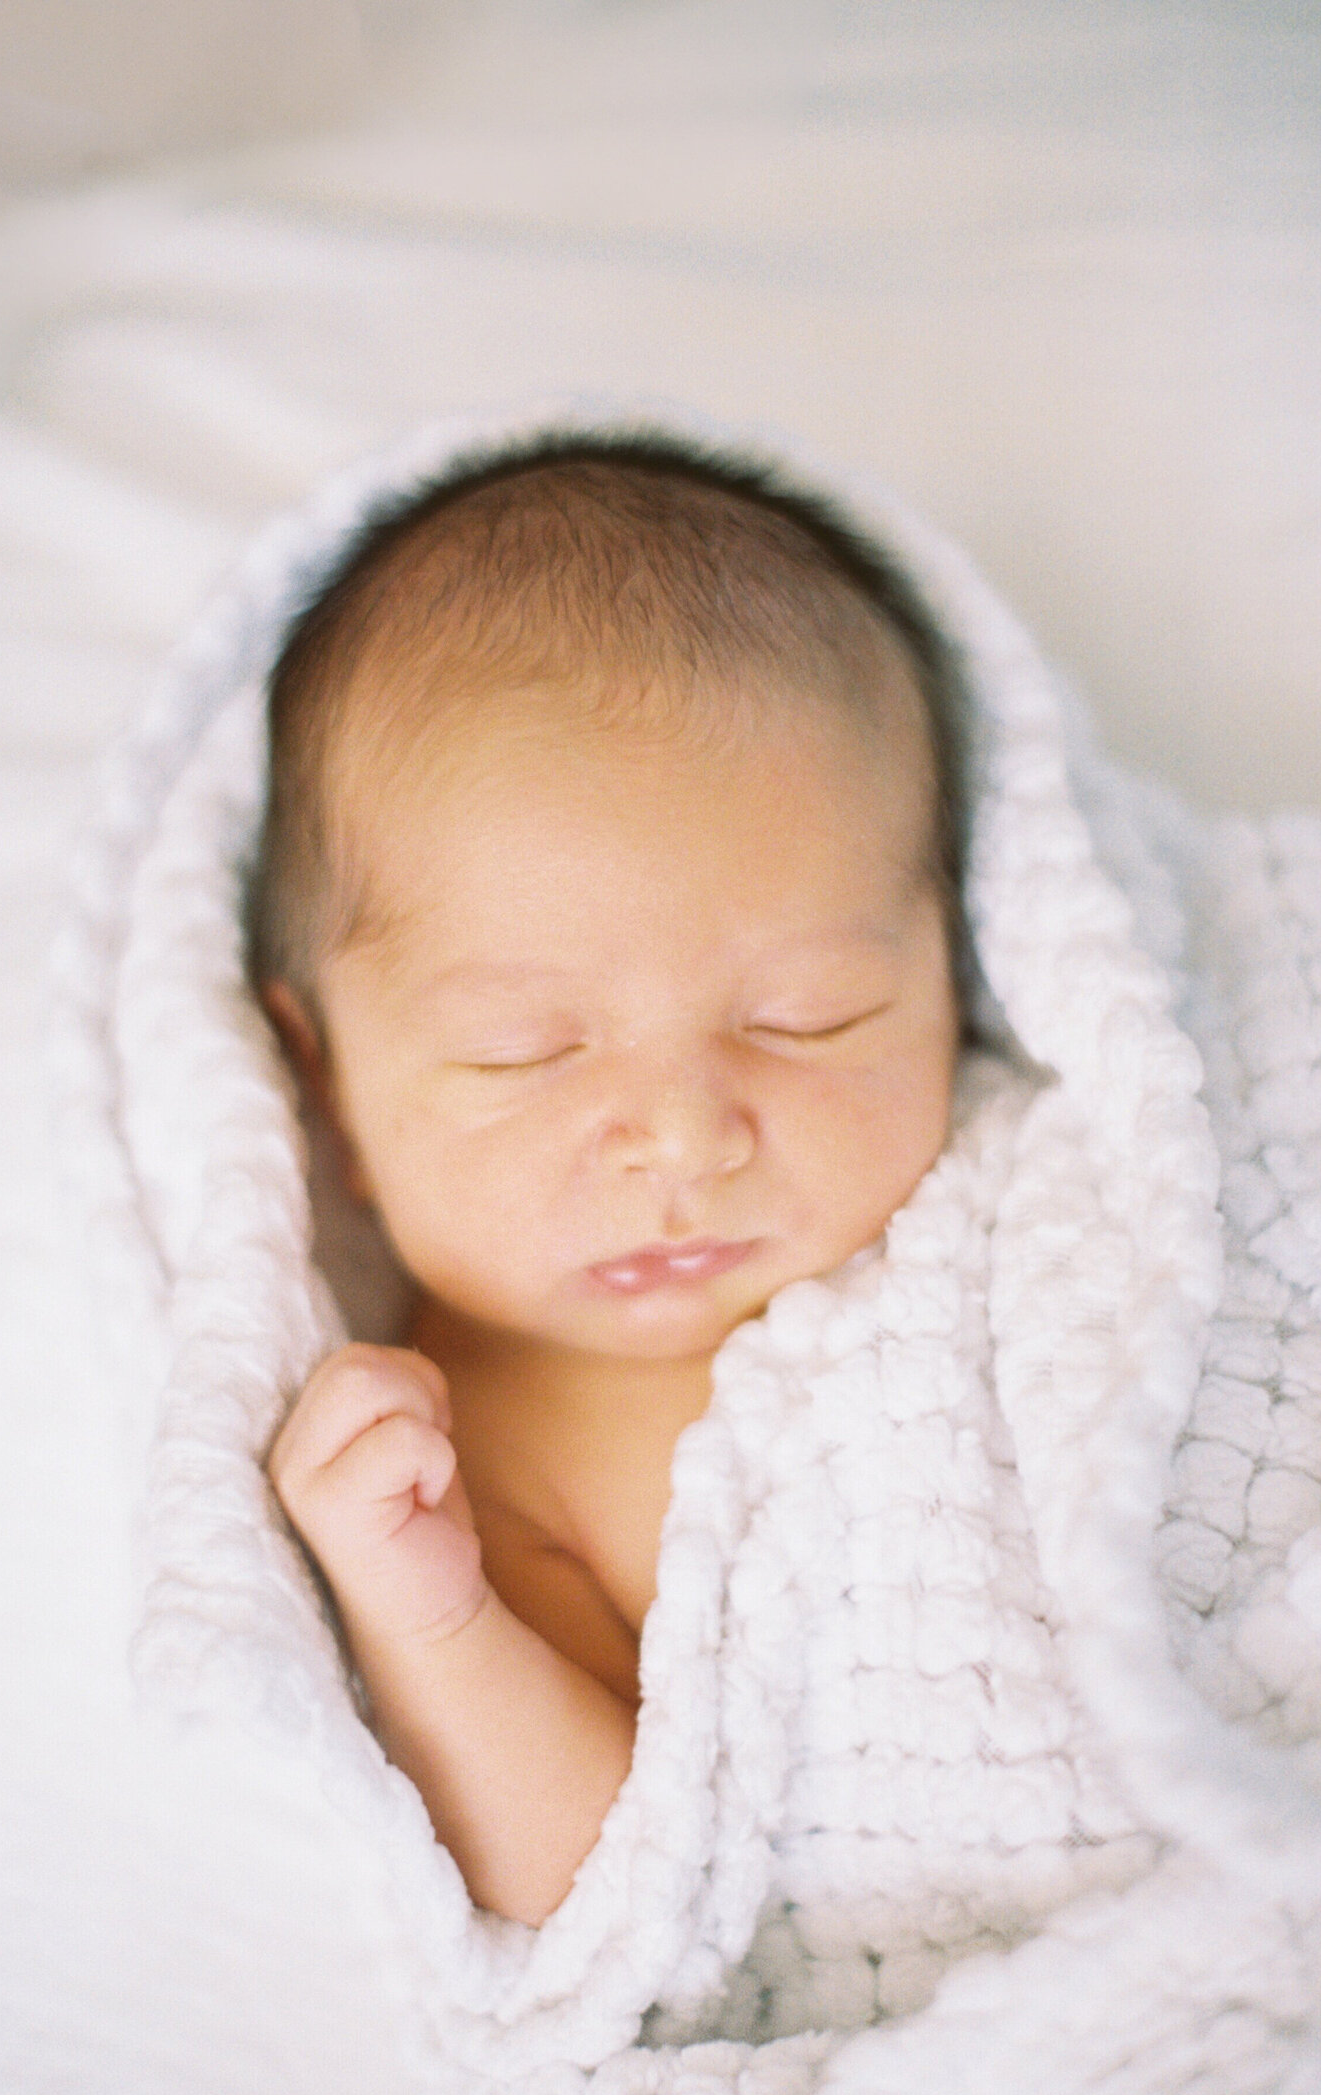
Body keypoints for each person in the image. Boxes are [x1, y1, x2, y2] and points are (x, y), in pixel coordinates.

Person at [249, 435, 972, 1926]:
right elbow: (602, 1898)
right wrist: (433, 1618)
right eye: (524, 1050)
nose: (684, 1137)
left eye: (810, 1013)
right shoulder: (468, 1456)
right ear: (328, 1091)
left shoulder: (1017, 1209)